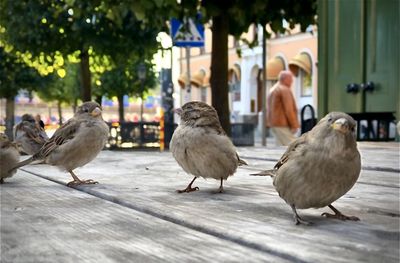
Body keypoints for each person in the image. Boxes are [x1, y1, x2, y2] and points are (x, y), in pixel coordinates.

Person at [267, 70, 299, 146]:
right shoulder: (284, 90)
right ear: (285, 79)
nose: (292, 82)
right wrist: (294, 125)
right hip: (282, 124)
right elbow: (289, 110)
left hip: (274, 124)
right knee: (294, 147)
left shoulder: (273, 89)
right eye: (290, 79)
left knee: (280, 148)